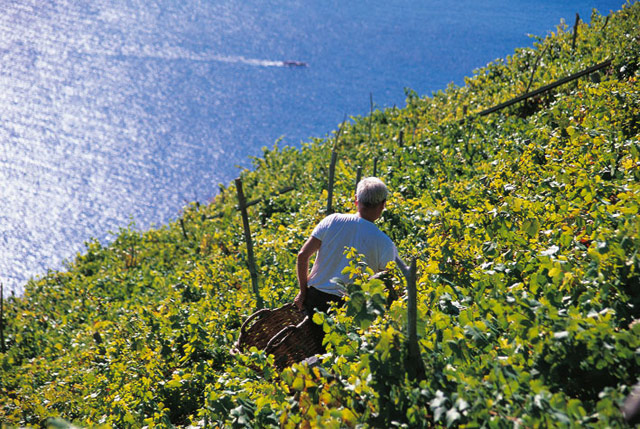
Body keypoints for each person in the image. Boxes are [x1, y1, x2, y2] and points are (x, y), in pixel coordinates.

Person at [294, 177, 399, 323]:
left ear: (356, 200)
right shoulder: (385, 243)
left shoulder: (332, 221)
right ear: (383, 205)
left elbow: (302, 256)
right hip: (352, 308)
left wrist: (303, 293)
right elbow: (387, 282)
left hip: (315, 301)